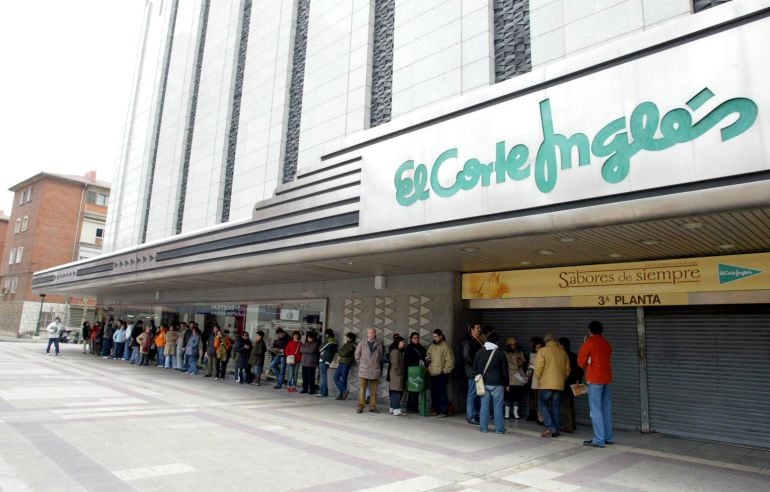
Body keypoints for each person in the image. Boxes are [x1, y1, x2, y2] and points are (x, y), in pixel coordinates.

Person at [578, 321, 614, 448]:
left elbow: (581, 363)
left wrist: (585, 344)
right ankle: (608, 437)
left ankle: (599, 439)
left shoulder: (588, 344)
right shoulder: (606, 344)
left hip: (594, 379)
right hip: (607, 379)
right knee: (606, 409)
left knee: (595, 411)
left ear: (589, 331)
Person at [473, 332, 509, 434]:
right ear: (496, 342)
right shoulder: (500, 353)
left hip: (484, 383)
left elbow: (475, 368)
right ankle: (499, 429)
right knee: (498, 406)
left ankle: (483, 428)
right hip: (497, 384)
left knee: (484, 406)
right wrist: (506, 383)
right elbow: (504, 370)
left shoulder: (479, 352)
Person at [426, 328, 455, 417]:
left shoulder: (445, 346)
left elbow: (450, 360)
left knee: (441, 392)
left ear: (441, 336)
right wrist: (427, 359)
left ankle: (444, 410)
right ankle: (435, 409)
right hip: (432, 373)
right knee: (434, 392)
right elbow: (428, 354)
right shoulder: (432, 346)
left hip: (441, 373)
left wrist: (445, 370)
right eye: (433, 337)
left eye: (436, 337)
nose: (434, 338)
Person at [354, 328, 383, 413]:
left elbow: (380, 356)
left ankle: (373, 407)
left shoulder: (378, 344)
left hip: (374, 369)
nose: (371, 334)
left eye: (372, 333)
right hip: (364, 369)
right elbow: (357, 354)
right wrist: (361, 364)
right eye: (369, 332)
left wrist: (376, 362)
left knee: (374, 390)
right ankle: (360, 406)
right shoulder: (362, 343)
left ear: (375, 334)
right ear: (367, 334)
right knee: (362, 389)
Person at [559, 337, 583, 433]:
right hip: (573, 383)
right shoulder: (573, 355)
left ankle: (568, 426)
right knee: (571, 404)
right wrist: (578, 380)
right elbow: (580, 370)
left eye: (559, 344)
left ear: (563, 345)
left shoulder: (562, 355)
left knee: (566, 405)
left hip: (565, 382)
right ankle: (572, 424)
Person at [462, 323, 484, 425]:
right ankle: (470, 415)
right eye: (477, 328)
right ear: (472, 330)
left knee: (478, 393)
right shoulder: (468, 342)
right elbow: (467, 357)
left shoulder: (480, 341)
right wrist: (475, 366)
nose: (479, 330)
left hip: (479, 372)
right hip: (472, 372)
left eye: (480, 328)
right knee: (472, 393)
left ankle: (476, 414)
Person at [504, 337, 527, 419]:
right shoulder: (505, 353)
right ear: (509, 345)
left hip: (518, 376)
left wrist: (518, 361)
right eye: (512, 344)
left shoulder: (519, 352)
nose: (514, 345)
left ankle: (515, 413)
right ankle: (507, 413)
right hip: (509, 376)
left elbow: (523, 362)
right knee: (508, 396)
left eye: (515, 344)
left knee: (517, 396)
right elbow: (504, 364)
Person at [404, 332, 426, 413]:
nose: (416, 339)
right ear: (411, 339)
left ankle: (415, 408)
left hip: (419, 372)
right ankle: (410, 408)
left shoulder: (421, 348)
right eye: (414, 338)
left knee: (417, 390)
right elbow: (406, 362)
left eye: (417, 338)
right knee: (412, 391)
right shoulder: (409, 348)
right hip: (411, 372)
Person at [334, 332, 357, 400]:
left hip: (347, 363)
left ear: (350, 338)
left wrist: (342, 353)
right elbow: (340, 352)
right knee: (335, 377)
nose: (346, 338)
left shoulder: (353, 345)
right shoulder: (345, 344)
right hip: (341, 362)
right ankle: (343, 390)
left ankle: (342, 394)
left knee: (344, 378)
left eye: (347, 337)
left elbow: (346, 353)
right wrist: (342, 353)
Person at [527, 336, 545, 423]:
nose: (538, 349)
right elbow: (530, 367)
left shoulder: (544, 355)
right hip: (534, 381)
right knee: (535, 399)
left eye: (540, 347)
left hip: (542, 381)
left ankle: (541, 417)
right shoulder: (533, 355)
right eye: (537, 347)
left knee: (540, 399)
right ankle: (537, 416)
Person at [387, 334, 406, 415]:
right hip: (396, 375)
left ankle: (392, 408)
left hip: (396, 375)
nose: (403, 344)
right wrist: (400, 372)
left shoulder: (398, 351)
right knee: (395, 392)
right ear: (398, 343)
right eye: (402, 342)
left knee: (394, 392)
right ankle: (396, 410)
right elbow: (395, 364)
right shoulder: (395, 351)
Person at [317, 328, 338, 397]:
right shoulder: (335, 341)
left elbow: (320, 349)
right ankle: (324, 392)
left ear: (327, 334)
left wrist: (322, 351)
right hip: (329, 360)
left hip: (323, 360)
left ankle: (323, 392)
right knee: (324, 376)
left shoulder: (328, 341)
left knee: (323, 377)